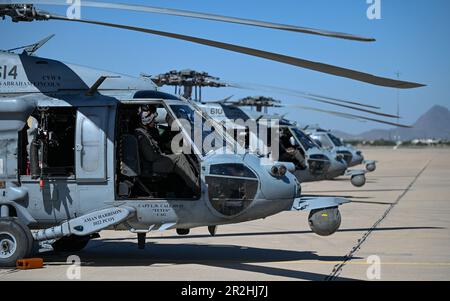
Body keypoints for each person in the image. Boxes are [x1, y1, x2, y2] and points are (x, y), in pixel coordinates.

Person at [134, 105, 200, 193]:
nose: (155, 121)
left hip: (150, 163)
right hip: (149, 166)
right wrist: (164, 155)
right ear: (147, 120)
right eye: (153, 119)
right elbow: (150, 157)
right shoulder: (141, 135)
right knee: (179, 158)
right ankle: (197, 187)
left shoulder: (145, 132)